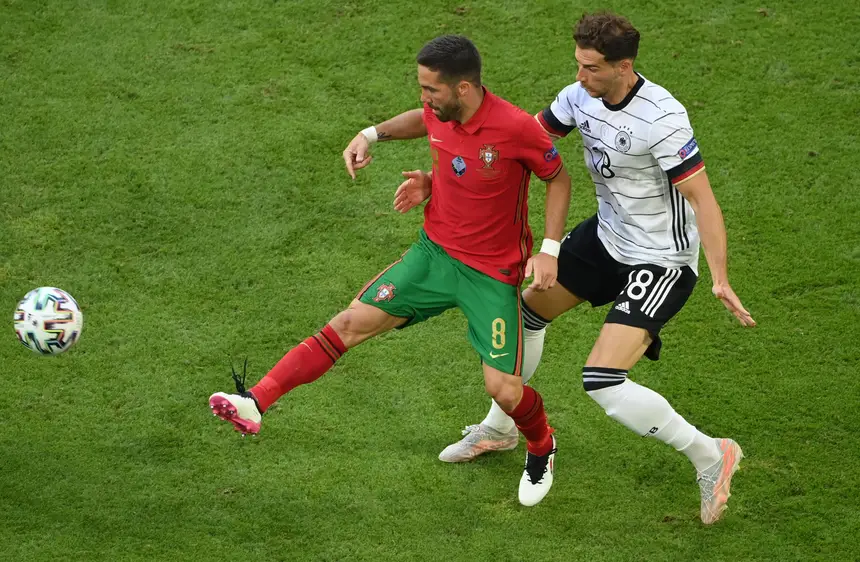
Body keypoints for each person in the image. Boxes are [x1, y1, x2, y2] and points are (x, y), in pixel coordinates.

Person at [209, 35, 573, 507]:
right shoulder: (439, 112)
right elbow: (423, 121)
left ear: (463, 88)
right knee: (348, 323)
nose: (424, 99)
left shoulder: (516, 127)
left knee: (503, 389)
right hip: (434, 257)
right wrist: (372, 135)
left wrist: (549, 250)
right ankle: (255, 401)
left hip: (490, 274)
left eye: (431, 89)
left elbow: (557, 178)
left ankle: (541, 445)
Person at [437, 13, 756, 524]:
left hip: (660, 259)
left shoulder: (662, 118)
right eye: (578, 64)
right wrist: (439, 180)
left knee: (603, 379)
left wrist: (719, 277)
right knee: (522, 316)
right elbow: (514, 144)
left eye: (591, 68)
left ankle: (712, 454)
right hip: (606, 238)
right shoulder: (577, 96)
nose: (580, 76)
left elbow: (703, 200)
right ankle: (500, 427)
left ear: (623, 67)